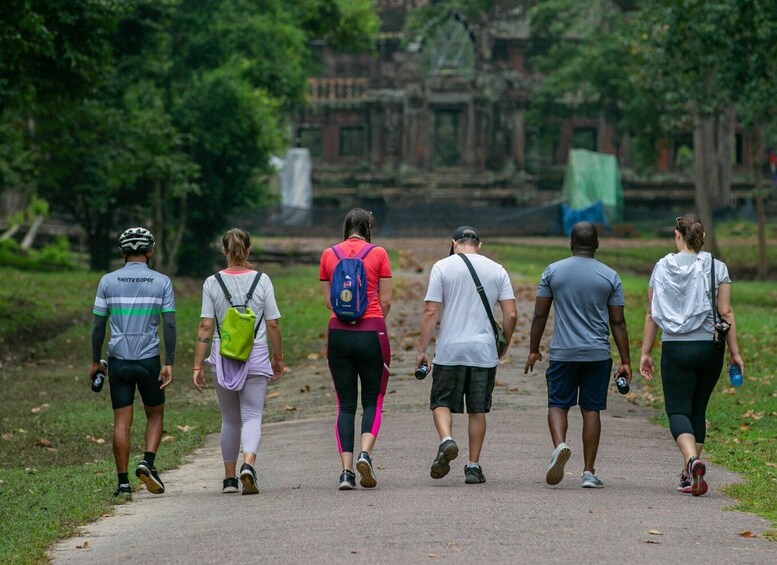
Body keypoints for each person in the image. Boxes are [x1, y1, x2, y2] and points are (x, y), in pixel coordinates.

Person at [640, 214, 744, 496]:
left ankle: (691, 461)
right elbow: (726, 313)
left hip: (676, 347)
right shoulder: (717, 267)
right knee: (698, 409)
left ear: (677, 234)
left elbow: (652, 313)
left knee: (677, 409)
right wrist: (735, 353)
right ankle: (690, 476)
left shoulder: (661, 267)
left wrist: (646, 352)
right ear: (702, 238)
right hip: (710, 347)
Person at [524, 221, 631, 489]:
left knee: (558, 404)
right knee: (591, 409)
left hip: (563, 353)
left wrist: (534, 349)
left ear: (571, 243)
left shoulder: (553, 272)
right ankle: (588, 472)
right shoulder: (610, 276)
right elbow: (618, 323)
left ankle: (560, 445)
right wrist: (625, 360)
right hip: (597, 353)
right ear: (597, 244)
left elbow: (540, 314)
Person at [416, 226, 517, 484]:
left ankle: (447, 440)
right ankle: (473, 466)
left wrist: (422, 350)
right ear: (479, 245)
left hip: (450, 350)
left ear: (454, 244)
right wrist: (504, 343)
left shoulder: (442, 267)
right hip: (482, 351)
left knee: (441, 402)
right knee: (477, 410)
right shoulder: (498, 270)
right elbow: (512, 314)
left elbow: (430, 311)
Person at [192, 228, 284, 495]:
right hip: (255, 354)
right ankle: (249, 464)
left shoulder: (212, 283)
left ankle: (230, 479)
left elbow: (206, 326)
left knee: (230, 419)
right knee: (253, 415)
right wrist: (277, 357)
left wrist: (198, 365)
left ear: (224, 252)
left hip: (224, 358)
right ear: (249, 250)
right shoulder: (263, 280)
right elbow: (273, 324)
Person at [90, 227, 176, 497]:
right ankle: (147, 462)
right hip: (149, 358)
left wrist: (95, 360)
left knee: (121, 422)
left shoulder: (107, 281)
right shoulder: (162, 282)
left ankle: (123, 483)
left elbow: (97, 325)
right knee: (155, 413)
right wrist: (169, 362)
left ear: (122, 252)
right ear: (150, 252)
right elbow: (169, 324)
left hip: (118, 360)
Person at [319, 208, 392, 490]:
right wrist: (372, 318)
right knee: (373, 400)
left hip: (338, 333)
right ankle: (365, 454)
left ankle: (346, 473)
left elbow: (329, 303)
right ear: (368, 227)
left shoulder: (329, 255)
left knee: (345, 405)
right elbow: (386, 301)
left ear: (346, 227)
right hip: (372, 331)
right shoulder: (379, 254)